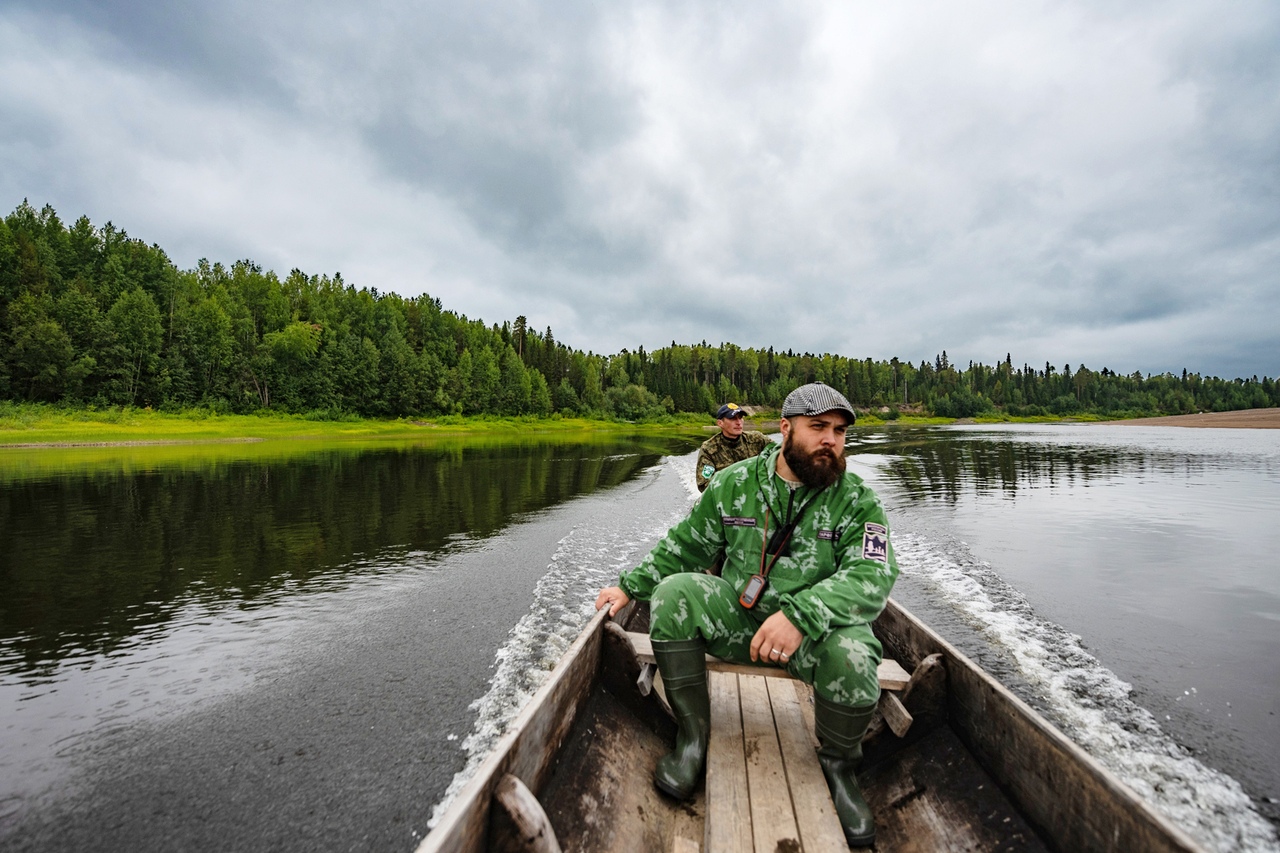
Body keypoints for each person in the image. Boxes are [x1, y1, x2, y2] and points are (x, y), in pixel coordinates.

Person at [595, 383, 896, 848]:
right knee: (675, 594)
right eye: (818, 427)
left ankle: (841, 769)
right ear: (785, 428)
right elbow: (686, 546)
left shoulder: (857, 500)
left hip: (812, 640)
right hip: (739, 620)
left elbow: (872, 578)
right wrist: (628, 586)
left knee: (857, 652)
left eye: (839, 432)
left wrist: (801, 616)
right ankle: (693, 739)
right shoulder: (734, 484)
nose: (831, 441)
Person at [695, 402, 769, 492]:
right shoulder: (709, 449)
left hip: (757, 494)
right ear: (720, 423)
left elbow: (778, 454)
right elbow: (704, 484)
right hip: (728, 498)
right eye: (733, 418)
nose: (738, 422)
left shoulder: (757, 439)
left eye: (740, 418)